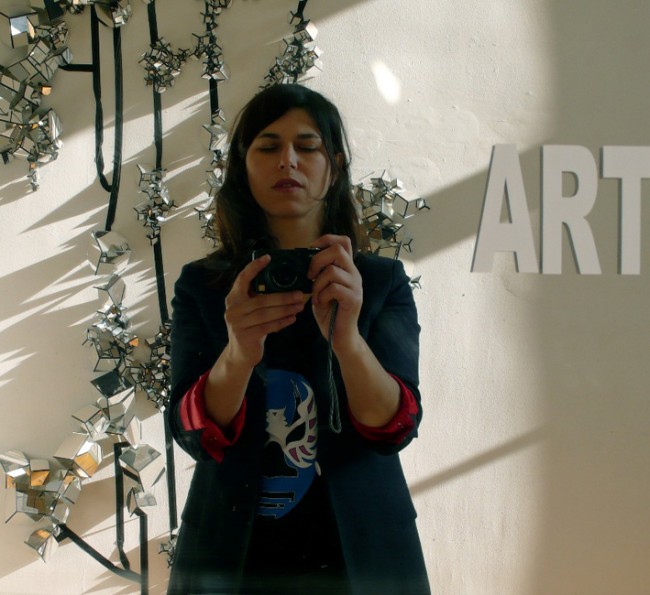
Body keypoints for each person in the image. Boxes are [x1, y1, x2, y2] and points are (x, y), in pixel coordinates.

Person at [167, 83, 430, 595]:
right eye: (268, 146)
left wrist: (348, 340)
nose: (288, 160)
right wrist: (238, 354)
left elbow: (395, 426)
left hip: (364, 552)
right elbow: (192, 432)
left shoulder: (379, 282)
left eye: (307, 147)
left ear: (334, 166)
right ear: (242, 166)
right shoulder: (205, 286)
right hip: (231, 554)